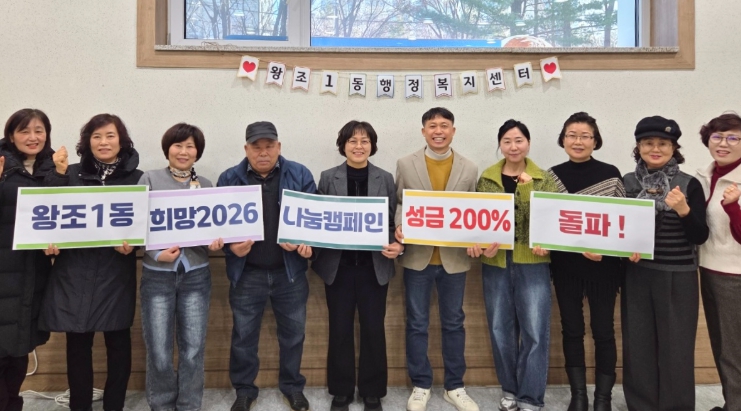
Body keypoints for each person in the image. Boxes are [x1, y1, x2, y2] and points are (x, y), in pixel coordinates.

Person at [41, 113, 143, 411]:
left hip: (115, 271)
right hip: (74, 270)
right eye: (96, 136)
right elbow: (47, 215)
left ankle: (114, 405)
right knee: (77, 343)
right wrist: (48, 243)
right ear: (87, 142)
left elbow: (145, 225)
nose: (103, 142)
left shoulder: (138, 179)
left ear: (122, 141)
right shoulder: (69, 174)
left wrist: (134, 244)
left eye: (110, 136)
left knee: (118, 342)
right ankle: (80, 405)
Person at [217, 121, 316, 411]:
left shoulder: (300, 174)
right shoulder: (229, 178)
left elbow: (314, 218)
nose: (263, 152)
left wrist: (304, 243)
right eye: (256, 147)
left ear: (279, 147)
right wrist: (230, 248)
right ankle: (244, 390)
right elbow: (217, 226)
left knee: (293, 335)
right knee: (243, 337)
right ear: (246, 149)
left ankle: (293, 387)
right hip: (247, 272)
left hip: (290, 272)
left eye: (269, 146)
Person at [312, 121, 403, 411]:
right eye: (352, 141)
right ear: (343, 145)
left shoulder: (384, 178)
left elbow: (393, 223)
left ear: (372, 146)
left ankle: (372, 391)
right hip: (338, 267)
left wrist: (398, 244)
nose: (359, 146)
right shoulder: (328, 177)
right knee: (339, 328)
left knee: (373, 329)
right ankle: (341, 390)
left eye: (365, 141)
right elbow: (319, 219)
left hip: (373, 267)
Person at [468, 119, 557, 411]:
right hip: (495, 261)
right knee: (499, 328)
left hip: (533, 261)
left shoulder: (544, 178)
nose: (513, 146)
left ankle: (530, 397)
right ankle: (509, 389)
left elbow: (550, 220)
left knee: (535, 330)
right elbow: (479, 219)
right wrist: (480, 244)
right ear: (500, 145)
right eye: (507, 141)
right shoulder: (487, 178)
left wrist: (528, 190)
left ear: (528, 143)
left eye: (519, 140)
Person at [394, 107, 479, 411]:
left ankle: (454, 386)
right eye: (432, 126)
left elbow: (475, 211)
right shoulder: (405, 163)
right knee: (417, 323)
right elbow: (400, 202)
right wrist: (399, 225)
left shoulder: (470, 167)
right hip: (418, 257)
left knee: (454, 323)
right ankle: (421, 384)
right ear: (423, 131)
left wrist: (477, 239)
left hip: (454, 259)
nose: (438, 131)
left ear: (453, 131)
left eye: (444, 125)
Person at [621, 116, 709, 411]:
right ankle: (641, 405)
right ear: (638, 147)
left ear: (674, 148)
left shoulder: (689, 184)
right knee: (638, 345)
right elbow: (616, 229)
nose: (655, 149)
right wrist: (624, 249)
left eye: (663, 143)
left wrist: (684, 210)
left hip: (678, 275)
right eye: (648, 143)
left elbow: (700, 235)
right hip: (637, 274)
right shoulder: (628, 182)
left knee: (677, 348)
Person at [138, 123, 224, 411]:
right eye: (178, 145)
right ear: (168, 149)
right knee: (159, 350)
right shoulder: (149, 179)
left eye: (190, 146)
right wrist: (155, 253)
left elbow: (213, 227)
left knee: (193, 349)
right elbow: (135, 225)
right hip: (157, 276)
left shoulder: (207, 184)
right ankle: (162, 405)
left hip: (196, 274)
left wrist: (216, 242)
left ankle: (189, 405)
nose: (183, 151)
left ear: (197, 152)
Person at [546, 112, 625, 411]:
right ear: (563, 139)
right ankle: (578, 396)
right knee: (572, 330)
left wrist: (606, 251)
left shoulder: (611, 174)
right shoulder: (551, 176)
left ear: (595, 141)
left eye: (584, 136)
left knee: (603, 331)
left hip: (603, 267)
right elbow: (547, 221)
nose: (577, 141)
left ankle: (603, 399)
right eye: (572, 135)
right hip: (566, 266)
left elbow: (622, 224)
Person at [0, 109, 57, 411]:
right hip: (4, 272)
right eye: (24, 131)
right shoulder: (1, 165)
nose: (33, 137)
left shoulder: (53, 168)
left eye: (39, 130)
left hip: (33, 274)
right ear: (11, 136)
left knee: (19, 348)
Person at [695, 113, 741, 411]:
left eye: (733, 137)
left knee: (732, 349)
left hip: (734, 274)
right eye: (717, 136)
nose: (723, 143)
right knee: (723, 346)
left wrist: (733, 207)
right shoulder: (704, 175)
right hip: (709, 268)